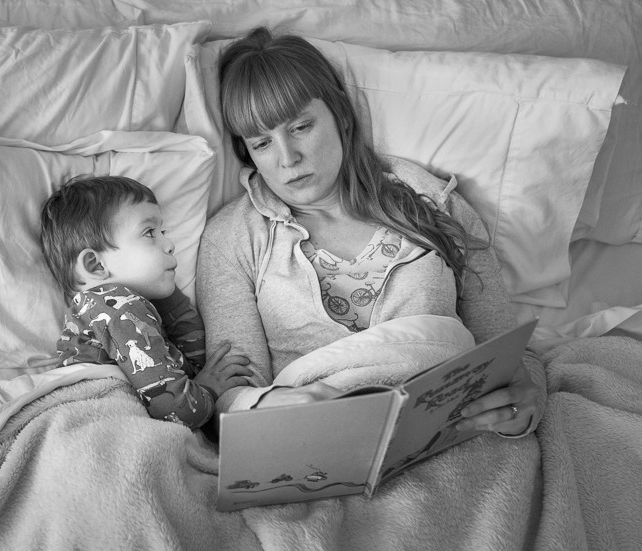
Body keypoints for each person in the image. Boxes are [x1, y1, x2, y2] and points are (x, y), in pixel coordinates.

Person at [197, 27, 545, 437]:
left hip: (454, 432)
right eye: (261, 143)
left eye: (300, 127)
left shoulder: (434, 201)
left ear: (341, 115)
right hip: (320, 444)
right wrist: (268, 404)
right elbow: (230, 394)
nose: (288, 159)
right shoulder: (231, 240)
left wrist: (528, 393)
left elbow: (507, 351)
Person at [40, 174, 253, 428]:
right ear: (96, 265)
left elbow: (192, 366)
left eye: (164, 231)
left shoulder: (135, 307)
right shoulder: (115, 307)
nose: (170, 245)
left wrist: (170, 298)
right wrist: (208, 388)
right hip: (97, 419)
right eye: (150, 233)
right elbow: (176, 410)